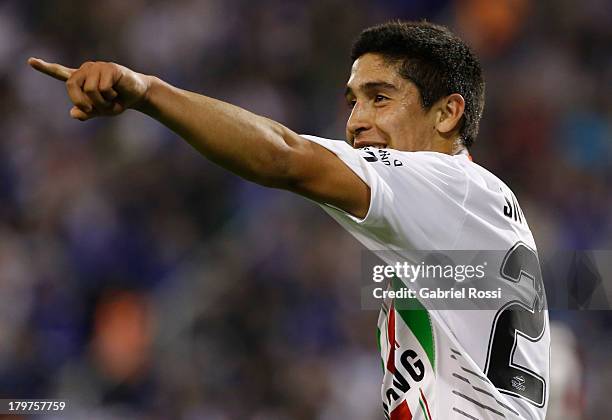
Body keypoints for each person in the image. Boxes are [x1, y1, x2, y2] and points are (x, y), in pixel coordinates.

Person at [29, 21, 549, 419]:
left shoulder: (439, 184)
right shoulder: (475, 201)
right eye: (352, 101)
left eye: (380, 98)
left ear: (446, 113)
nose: (356, 120)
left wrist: (146, 92)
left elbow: (285, 157)